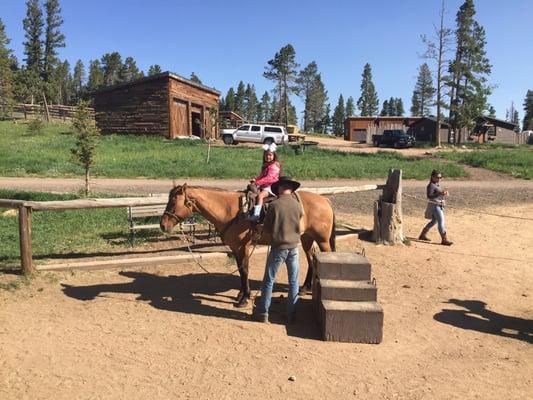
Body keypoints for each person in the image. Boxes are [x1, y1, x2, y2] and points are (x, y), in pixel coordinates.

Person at [253, 176, 303, 324]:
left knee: (269, 280)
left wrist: (260, 229)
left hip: (278, 248)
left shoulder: (274, 205)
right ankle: (291, 314)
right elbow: (300, 218)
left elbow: (267, 229)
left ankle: (263, 312)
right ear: (291, 189)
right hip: (294, 247)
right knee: (294, 281)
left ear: (280, 188)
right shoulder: (297, 205)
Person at [419, 170, 453, 246]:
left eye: (440, 177)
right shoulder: (431, 185)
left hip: (438, 204)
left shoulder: (437, 184)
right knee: (441, 221)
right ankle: (444, 240)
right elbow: (429, 196)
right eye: (437, 177)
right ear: (432, 177)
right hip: (435, 205)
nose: (439, 179)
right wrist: (440, 193)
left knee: (434, 221)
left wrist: (444, 193)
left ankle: (422, 235)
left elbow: (438, 194)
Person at [249, 143, 281, 221]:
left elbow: (269, 178)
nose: (268, 157)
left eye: (270, 155)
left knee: (260, 196)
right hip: (266, 186)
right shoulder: (267, 165)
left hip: (272, 186)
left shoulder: (274, 166)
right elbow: (262, 175)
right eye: (266, 155)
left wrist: (258, 183)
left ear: (274, 156)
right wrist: (256, 180)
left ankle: (257, 214)